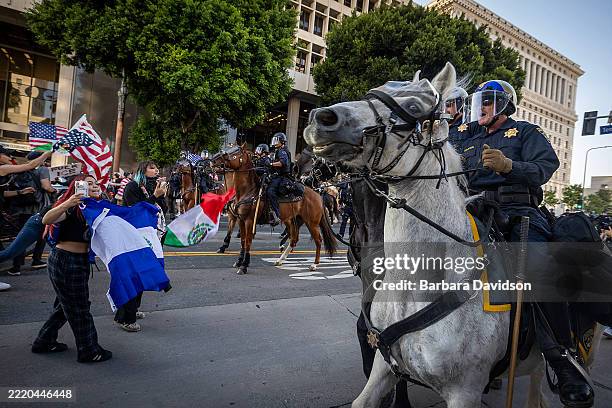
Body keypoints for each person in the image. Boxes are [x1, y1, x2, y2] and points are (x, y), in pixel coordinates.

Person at [461, 80, 593, 406]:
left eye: (489, 103)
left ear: (505, 105)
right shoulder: (464, 137)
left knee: (537, 270)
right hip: (471, 211)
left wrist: (510, 166)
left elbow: (546, 167)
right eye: (479, 103)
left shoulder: (524, 132)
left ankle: (561, 359)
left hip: (517, 213)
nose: (482, 109)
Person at [33, 175, 112, 363]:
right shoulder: (72, 207)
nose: (93, 186)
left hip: (80, 262)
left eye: (95, 183)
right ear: (77, 187)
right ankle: (89, 350)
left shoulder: (96, 209)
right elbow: (47, 219)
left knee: (64, 305)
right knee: (79, 308)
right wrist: (68, 203)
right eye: (88, 183)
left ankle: (44, 341)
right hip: (65, 261)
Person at [114, 161, 167, 332]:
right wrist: (154, 196)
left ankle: (133, 309)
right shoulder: (132, 186)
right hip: (134, 237)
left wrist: (160, 194)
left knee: (142, 273)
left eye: (156, 167)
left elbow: (161, 209)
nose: (156, 170)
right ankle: (124, 317)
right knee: (133, 275)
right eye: (152, 167)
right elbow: (135, 211)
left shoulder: (152, 186)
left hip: (152, 235)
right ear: (143, 171)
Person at [0, 147, 52, 283]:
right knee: (8, 251)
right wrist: (48, 153)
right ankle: (31, 261)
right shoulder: (3, 169)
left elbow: (3, 193)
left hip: (16, 210)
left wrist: (20, 192)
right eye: (7, 155)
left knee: (11, 247)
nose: (10, 158)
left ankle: (15, 267)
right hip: (33, 209)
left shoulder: (9, 171)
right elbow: (32, 166)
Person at [266, 133, 292, 226]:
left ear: (282, 142)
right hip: (277, 175)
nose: (275, 142)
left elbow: (282, 163)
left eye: (277, 140)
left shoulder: (282, 151)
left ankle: (277, 214)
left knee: (270, 191)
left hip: (282, 176)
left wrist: (271, 164)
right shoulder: (278, 150)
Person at [443, 86, 469, 151]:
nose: (445, 110)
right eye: (443, 106)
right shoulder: (439, 126)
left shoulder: (470, 125)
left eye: (448, 105)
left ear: (460, 105)